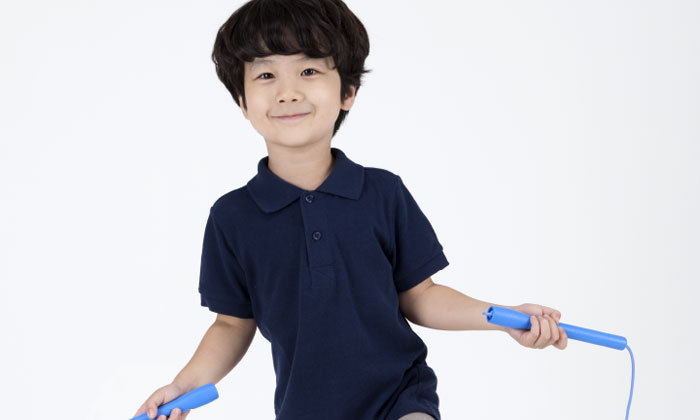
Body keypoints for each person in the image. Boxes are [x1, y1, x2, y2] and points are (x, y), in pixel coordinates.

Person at [132, 1, 568, 419]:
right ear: (243, 104)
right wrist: (182, 386)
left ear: (347, 92)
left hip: (400, 396)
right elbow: (231, 325)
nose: (287, 92)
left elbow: (422, 296)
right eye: (265, 74)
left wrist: (506, 319)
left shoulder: (383, 193)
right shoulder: (232, 218)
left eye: (308, 70)